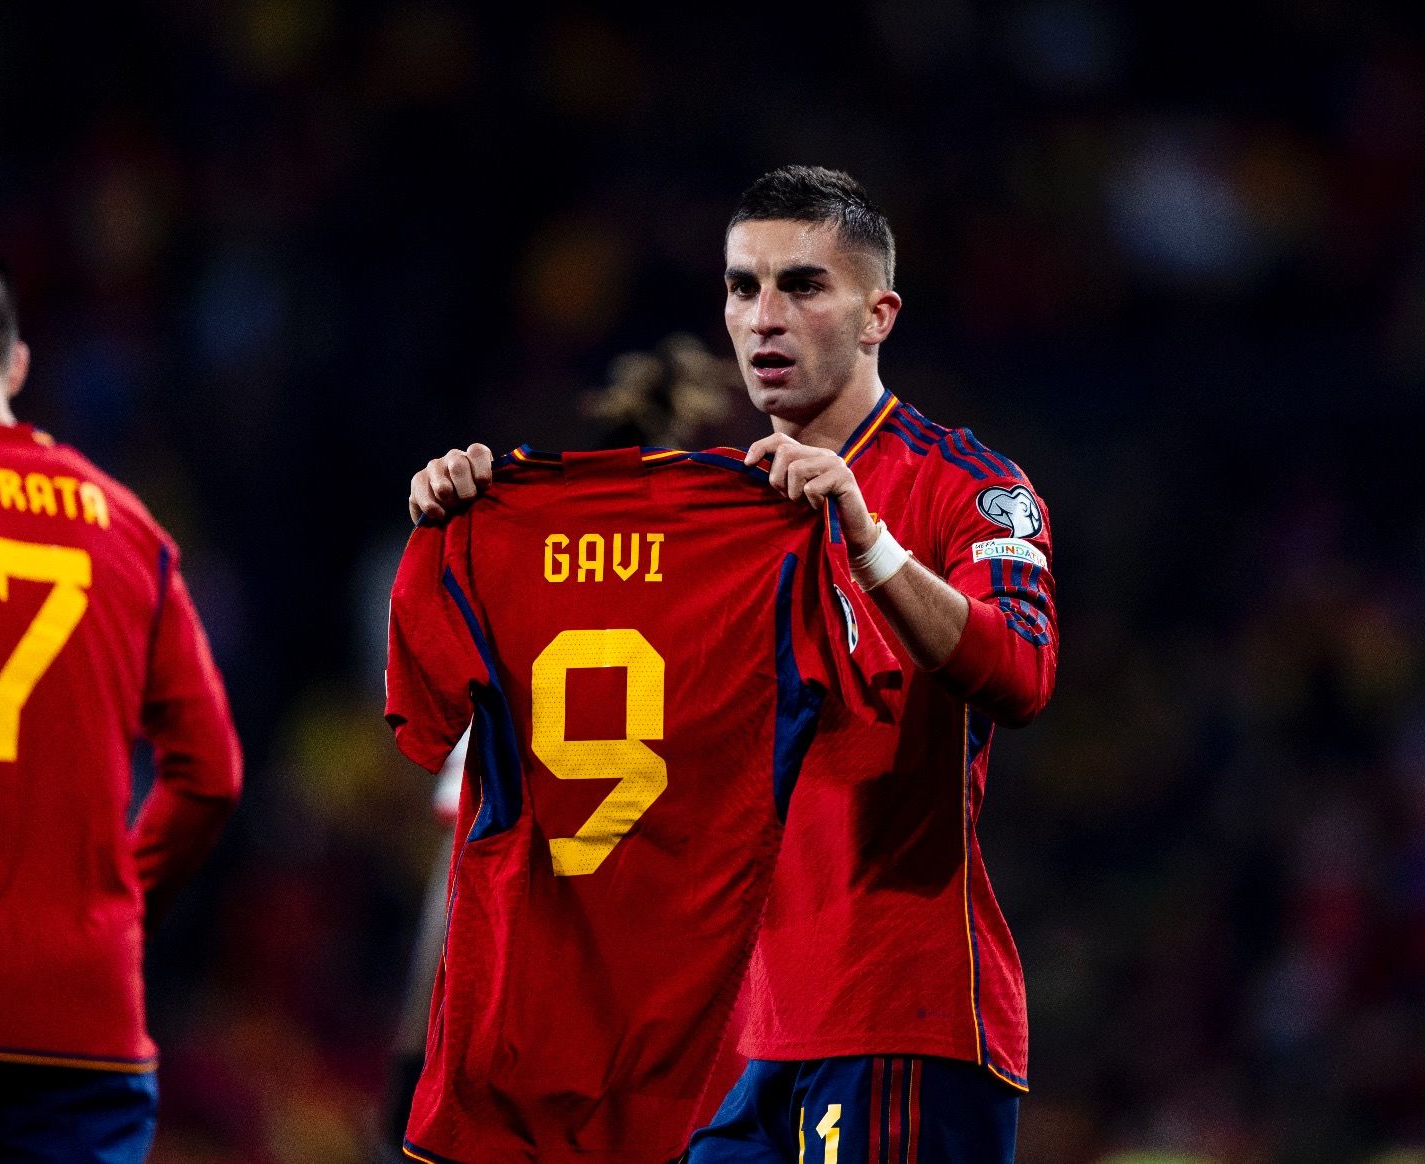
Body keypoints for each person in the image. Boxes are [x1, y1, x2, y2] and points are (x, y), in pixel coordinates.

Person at [408, 166, 1059, 1162]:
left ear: (877, 314)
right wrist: (477, 518)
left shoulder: (961, 485)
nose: (763, 316)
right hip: (721, 1043)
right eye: (740, 286)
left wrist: (865, 537)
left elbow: (1020, 673)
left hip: (892, 1016)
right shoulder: (705, 518)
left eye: (801, 286)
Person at [0, 228, 243, 1163]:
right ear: (15, 364)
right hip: (81, 1016)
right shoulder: (130, 527)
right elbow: (210, 776)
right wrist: (118, 908)